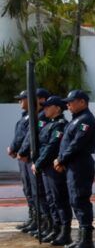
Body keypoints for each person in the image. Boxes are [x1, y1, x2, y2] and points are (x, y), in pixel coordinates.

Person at [55, 90, 95, 248]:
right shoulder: (76, 120)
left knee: (80, 199)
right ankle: (81, 239)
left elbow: (77, 144)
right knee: (75, 200)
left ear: (82, 102)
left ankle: (86, 241)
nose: (68, 105)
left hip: (80, 164)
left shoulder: (85, 120)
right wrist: (61, 159)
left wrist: (61, 160)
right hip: (73, 164)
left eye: (71, 102)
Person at [33, 96, 71, 246]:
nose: (45, 109)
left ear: (57, 108)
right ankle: (56, 228)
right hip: (47, 168)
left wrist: (39, 162)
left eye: (48, 106)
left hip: (54, 167)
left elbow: (52, 146)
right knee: (51, 199)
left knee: (60, 199)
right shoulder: (50, 124)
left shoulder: (60, 125)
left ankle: (65, 231)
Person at [14, 88, 52, 236]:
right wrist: (16, 149)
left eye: (23, 98)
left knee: (41, 192)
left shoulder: (41, 117)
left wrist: (22, 151)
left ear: (40, 99)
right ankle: (35, 219)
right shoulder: (28, 116)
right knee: (30, 190)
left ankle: (46, 223)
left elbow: (32, 137)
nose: (20, 101)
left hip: (33, 158)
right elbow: (21, 136)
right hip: (24, 156)